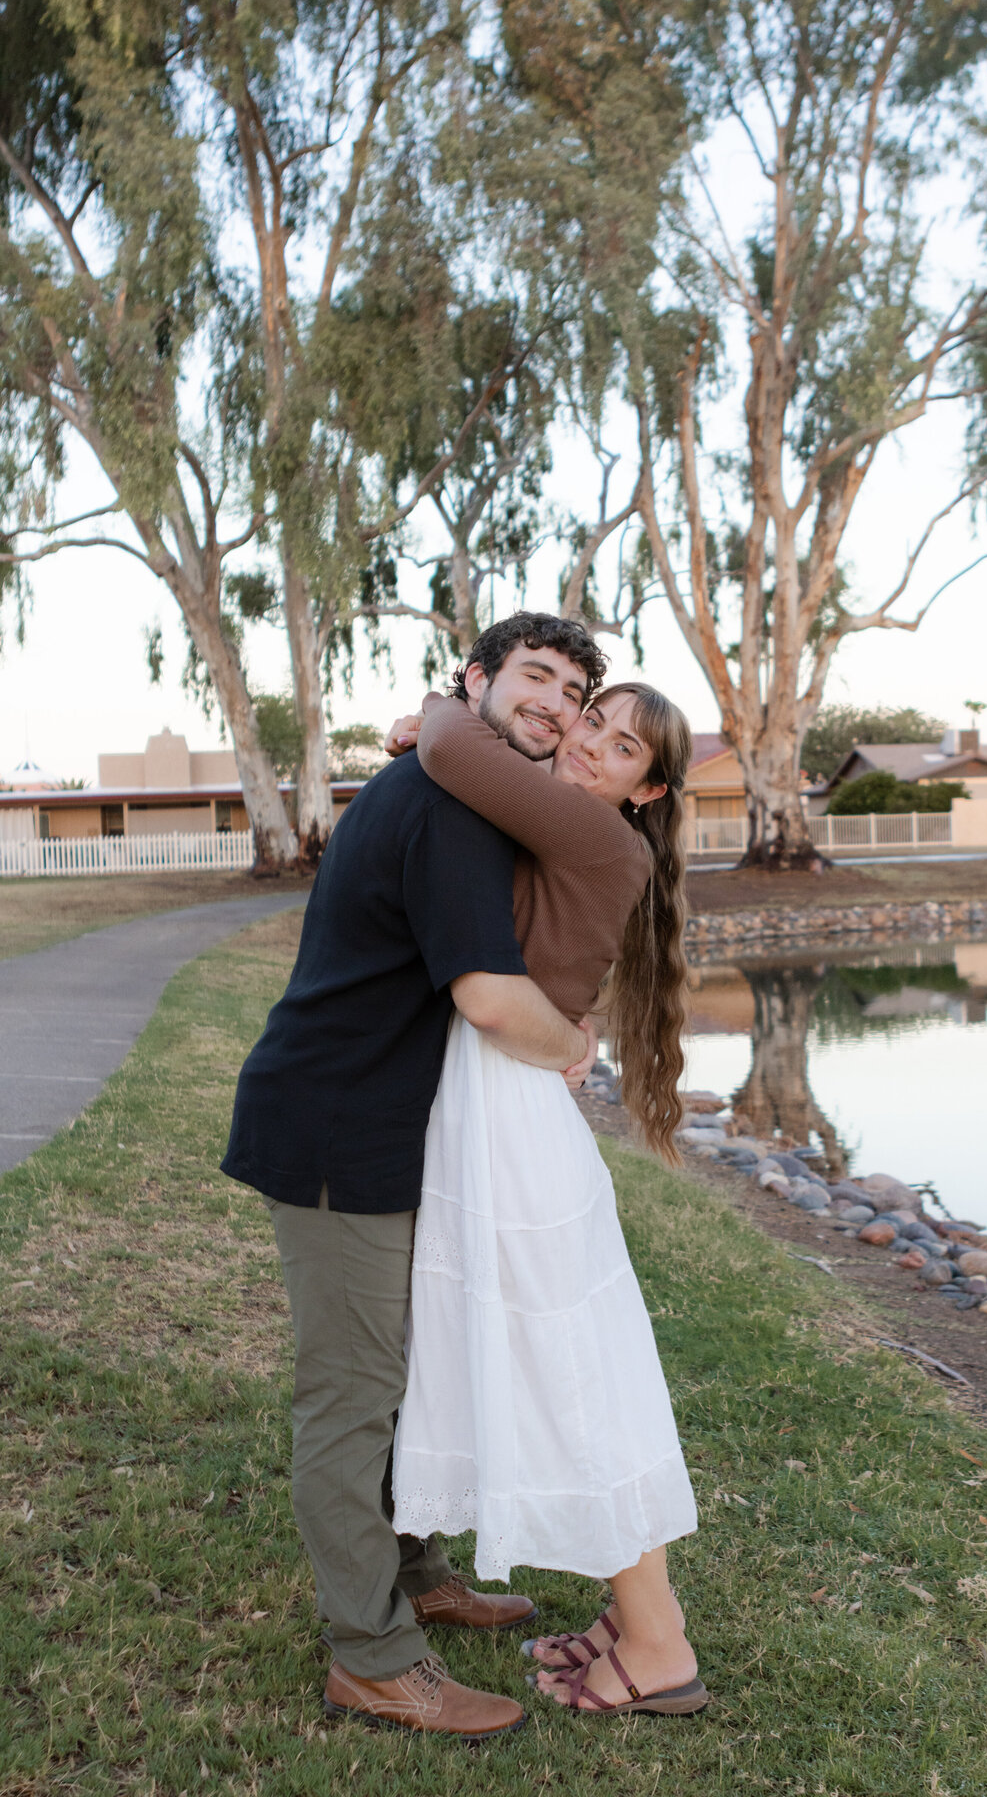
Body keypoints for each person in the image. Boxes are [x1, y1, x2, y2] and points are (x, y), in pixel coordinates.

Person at [221, 613, 610, 1742]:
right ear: (475, 679)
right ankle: (373, 1656)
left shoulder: (455, 780)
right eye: (535, 675)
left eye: (575, 691)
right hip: (338, 1126)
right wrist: (575, 1050)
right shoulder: (446, 805)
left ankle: (416, 1569)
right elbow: (490, 998)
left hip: (388, 1124)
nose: (556, 701)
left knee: (405, 1369)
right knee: (350, 1399)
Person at [386, 675, 707, 1718]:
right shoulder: (586, 827)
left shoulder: (590, 833)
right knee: (576, 1369)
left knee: (573, 1379)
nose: (588, 746)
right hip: (505, 1107)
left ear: (647, 791)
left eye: (620, 749)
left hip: (512, 1120)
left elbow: (449, 748)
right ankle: (634, 1616)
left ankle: (658, 1643)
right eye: (591, 722)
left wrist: (441, 700)